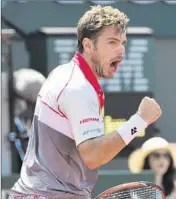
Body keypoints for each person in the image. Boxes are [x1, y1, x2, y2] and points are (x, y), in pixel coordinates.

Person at [9, 5, 162, 199]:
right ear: (88, 45)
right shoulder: (78, 87)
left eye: (123, 43)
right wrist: (139, 120)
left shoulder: (66, 74)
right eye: (112, 42)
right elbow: (93, 155)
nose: (121, 50)